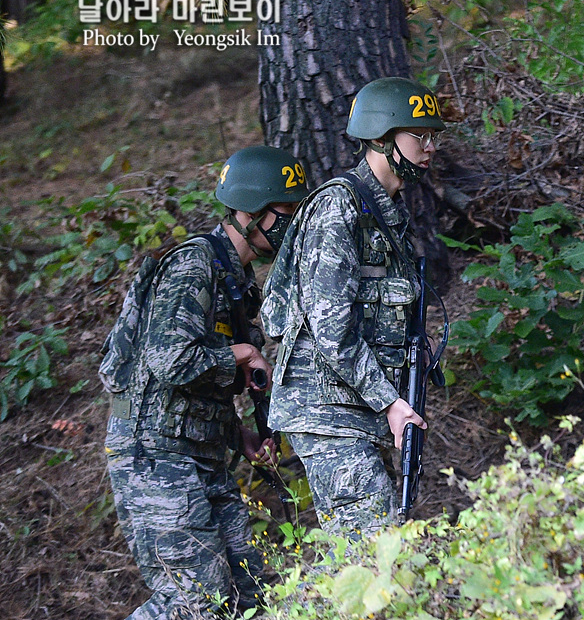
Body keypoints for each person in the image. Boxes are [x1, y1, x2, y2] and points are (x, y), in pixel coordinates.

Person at [103, 145, 309, 618]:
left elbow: (198, 385)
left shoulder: (236, 277)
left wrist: (243, 436)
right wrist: (243, 352)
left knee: (249, 593)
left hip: (200, 453)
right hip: (152, 457)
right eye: (286, 211)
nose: (292, 224)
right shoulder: (193, 266)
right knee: (196, 603)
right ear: (251, 210)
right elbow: (168, 361)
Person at [260, 77, 443, 538]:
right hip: (324, 405)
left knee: (358, 550)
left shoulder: (386, 212)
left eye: (433, 136)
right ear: (382, 139)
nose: (430, 147)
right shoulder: (339, 209)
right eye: (419, 136)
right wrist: (390, 402)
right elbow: (331, 330)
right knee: (372, 543)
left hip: (350, 405)